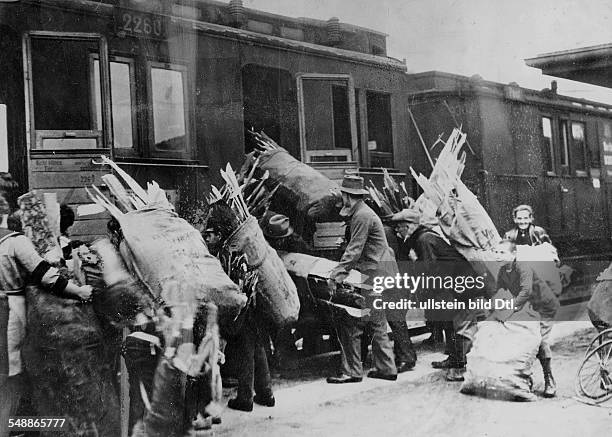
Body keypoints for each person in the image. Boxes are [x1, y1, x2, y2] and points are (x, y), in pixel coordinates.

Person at [0, 199, 92, 437]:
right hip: (11, 309)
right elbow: (46, 276)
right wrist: (79, 291)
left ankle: (19, 428)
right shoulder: (15, 242)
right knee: (13, 377)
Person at [391, 208, 482, 381]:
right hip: (452, 284)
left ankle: (460, 367)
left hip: (461, 285)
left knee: (459, 326)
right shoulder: (423, 237)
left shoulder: (424, 239)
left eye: (399, 227)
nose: (397, 231)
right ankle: (454, 359)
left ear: (409, 226)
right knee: (449, 323)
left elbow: (429, 269)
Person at [327, 175, 398, 383]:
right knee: (376, 322)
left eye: (343, 195)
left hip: (373, 274)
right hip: (379, 272)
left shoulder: (361, 216)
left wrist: (337, 275)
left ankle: (352, 371)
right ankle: (386, 368)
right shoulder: (364, 213)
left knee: (352, 321)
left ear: (349, 196)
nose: (342, 199)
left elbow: (354, 250)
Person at [495, 239, 560, 398]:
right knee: (520, 339)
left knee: (539, 342)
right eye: (496, 252)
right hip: (528, 308)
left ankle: (549, 378)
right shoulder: (503, 271)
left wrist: (509, 310)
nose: (498, 256)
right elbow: (499, 291)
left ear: (514, 254)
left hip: (544, 307)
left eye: (502, 252)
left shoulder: (523, 267)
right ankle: (524, 378)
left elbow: (526, 291)